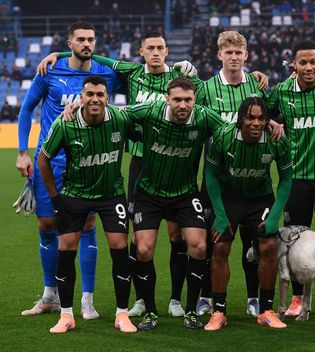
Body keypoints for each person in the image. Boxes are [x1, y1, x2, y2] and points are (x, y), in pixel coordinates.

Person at [37, 30, 206, 318]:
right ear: (141, 51)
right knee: (137, 235)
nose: (155, 52)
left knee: (177, 233)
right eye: (150, 47)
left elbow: (200, 101)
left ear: (167, 51)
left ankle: (176, 300)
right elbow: (97, 58)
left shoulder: (179, 80)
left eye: (160, 48)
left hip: (176, 163)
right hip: (141, 164)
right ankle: (140, 299)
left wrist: (200, 76)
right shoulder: (133, 71)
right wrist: (62, 55)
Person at [16, 21, 124, 320]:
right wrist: (23, 152)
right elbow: (26, 109)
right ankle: (50, 295)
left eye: (91, 39)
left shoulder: (106, 76)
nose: (86, 44)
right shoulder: (50, 70)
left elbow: (141, 79)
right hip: (49, 162)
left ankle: (87, 300)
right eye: (80, 39)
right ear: (70, 42)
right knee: (47, 226)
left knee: (87, 226)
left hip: (87, 163)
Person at [124, 77, 227, 331]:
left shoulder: (204, 117)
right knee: (144, 250)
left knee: (199, 247)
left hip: (184, 194)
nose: (183, 105)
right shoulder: (150, 111)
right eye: (177, 99)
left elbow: (232, 130)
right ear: (167, 99)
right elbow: (119, 114)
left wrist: (269, 123)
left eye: (188, 100)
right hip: (148, 193)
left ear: (195, 100)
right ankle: (150, 311)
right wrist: (78, 107)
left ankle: (191, 310)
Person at [37, 75, 136, 333]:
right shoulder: (65, 123)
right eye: (90, 94)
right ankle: (67, 315)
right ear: (81, 97)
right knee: (66, 248)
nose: (95, 99)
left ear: (108, 98)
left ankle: (122, 314)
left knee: (120, 248)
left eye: (100, 95)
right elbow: (43, 160)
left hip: (111, 194)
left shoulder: (120, 118)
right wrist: (56, 199)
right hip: (75, 194)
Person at [195, 30, 276, 317]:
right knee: (214, 242)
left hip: (254, 178)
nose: (233, 57)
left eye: (238, 52)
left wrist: (275, 123)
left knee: (254, 243)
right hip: (218, 178)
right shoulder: (205, 89)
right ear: (219, 55)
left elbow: (269, 117)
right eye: (228, 52)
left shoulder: (256, 85)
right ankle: (207, 295)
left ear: (246, 55)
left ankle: (254, 298)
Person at [267, 40, 315, 317]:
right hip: (296, 177)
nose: (309, 67)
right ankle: (298, 298)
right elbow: (259, 111)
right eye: (304, 63)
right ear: (294, 66)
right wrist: (272, 121)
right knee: (295, 241)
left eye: (313, 62)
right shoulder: (282, 91)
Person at [204, 97, 292, 331]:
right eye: (250, 117)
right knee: (220, 248)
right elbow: (210, 176)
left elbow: (286, 179)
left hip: (259, 197)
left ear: (267, 120)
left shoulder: (277, 140)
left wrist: (274, 216)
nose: (255, 123)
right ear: (241, 119)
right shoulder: (222, 137)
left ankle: (266, 310)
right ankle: (219, 312)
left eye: (261, 118)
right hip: (228, 197)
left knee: (268, 247)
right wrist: (220, 215)